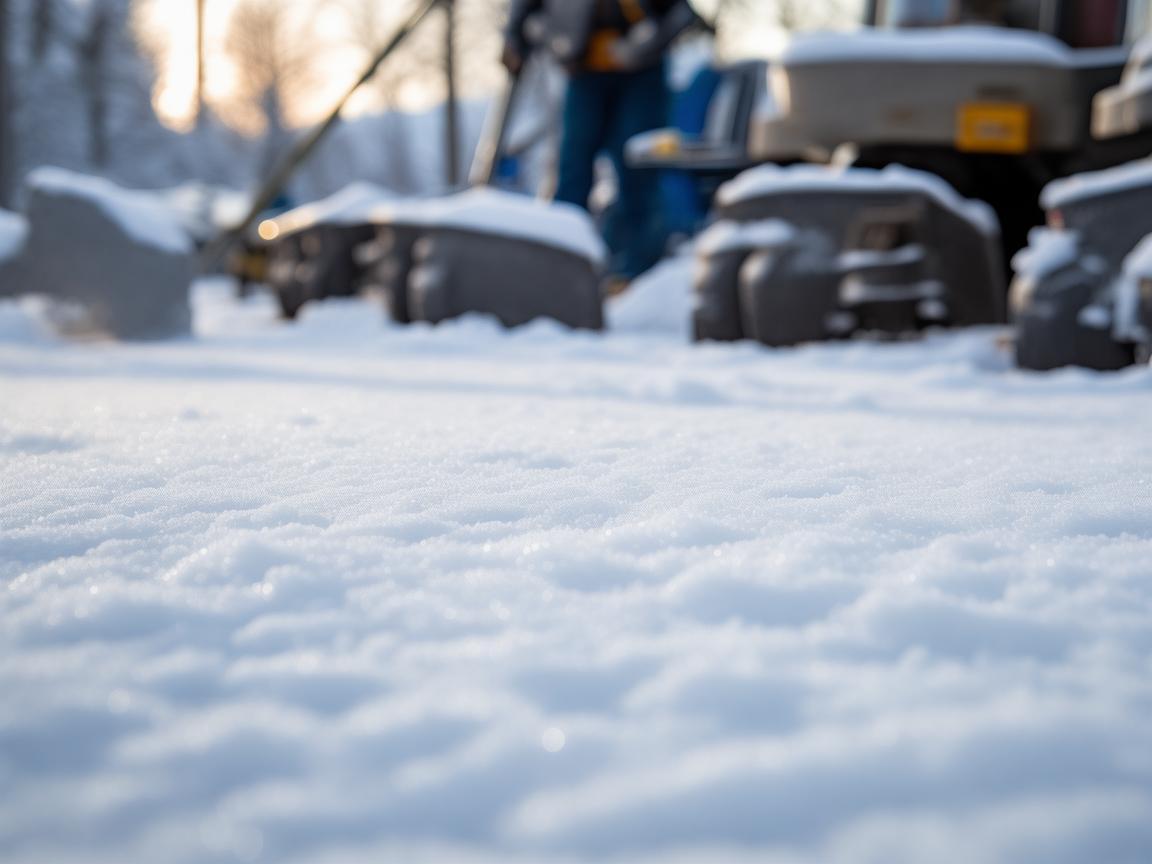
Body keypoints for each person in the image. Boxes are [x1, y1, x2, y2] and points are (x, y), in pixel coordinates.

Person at [502, 0, 704, 285]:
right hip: (583, 69)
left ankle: (637, 273)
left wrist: (649, 43)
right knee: (573, 170)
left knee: (637, 167)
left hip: (642, 73)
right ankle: (559, 267)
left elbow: (678, 13)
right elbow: (527, 8)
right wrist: (516, 37)